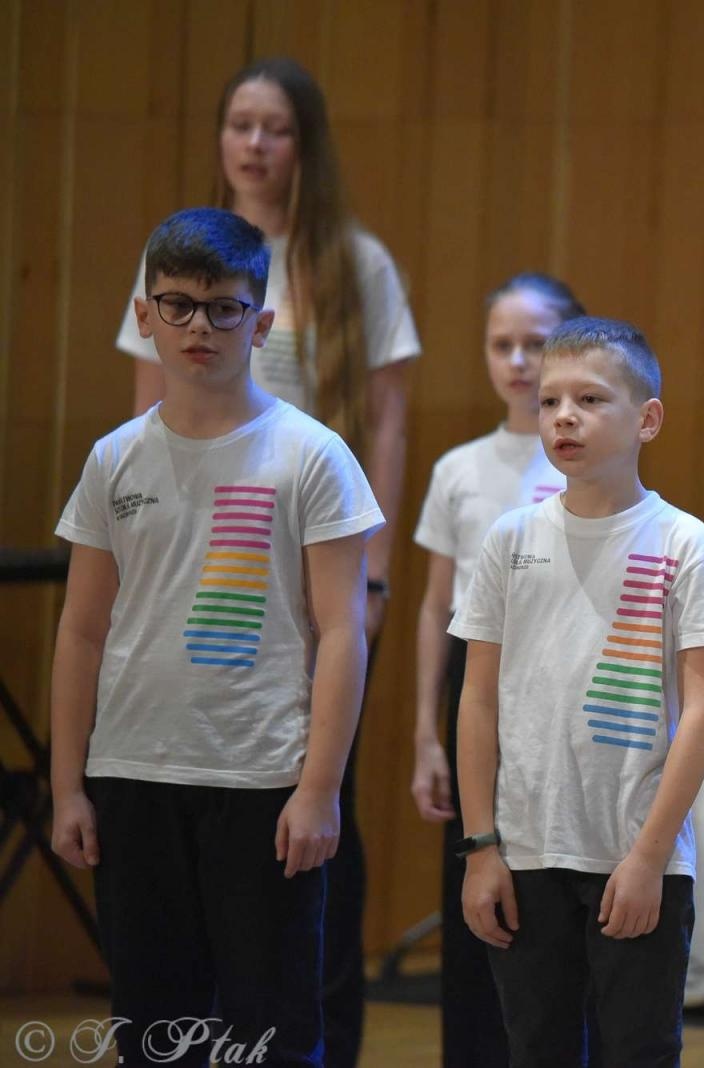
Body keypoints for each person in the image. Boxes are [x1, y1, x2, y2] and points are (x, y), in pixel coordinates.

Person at [115, 57, 421, 1064]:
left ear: (305, 144)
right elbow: (141, 414)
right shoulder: (185, 254)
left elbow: (383, 420)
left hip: (314, 552)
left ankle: (310, 1034)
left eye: (274, 128)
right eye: (239, 124)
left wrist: (370, 574)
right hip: (202, 561)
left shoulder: (354, 262)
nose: (253, 145)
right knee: (206, 822)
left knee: (310, 800)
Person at [51, 207, 381, 1067]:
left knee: (269, 1032)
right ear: (144, 317)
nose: (201, 325)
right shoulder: (114, 459)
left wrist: (319, 788)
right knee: (156, 1034)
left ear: (260, 323)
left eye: (224, 307)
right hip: (134, 777)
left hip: (262, 780)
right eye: (180, 305)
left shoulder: (312, 456)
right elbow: (82, 632)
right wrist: (68, 787)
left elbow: (343, 633)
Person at [451, 317, 704, 1065]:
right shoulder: (509, 540)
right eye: (550, 402)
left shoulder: (686, 543)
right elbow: (478, 700)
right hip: (527, 853)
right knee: (537, 1047)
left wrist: (649, 857)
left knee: (638, 1050)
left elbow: (703, 712)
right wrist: (481, 846)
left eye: (589, 399)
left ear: (646, 418)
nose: (563, 417)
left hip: (636, 856)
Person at [411, 272, 584, 1066]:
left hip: (567, 692)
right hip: (478, 688)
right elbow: (435, 606)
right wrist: (426, 733)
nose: (518, 361)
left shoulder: (593, 459)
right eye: (501, 344)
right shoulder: (460, 471)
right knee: (479, 894)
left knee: (556, 898)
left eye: (537, 343)